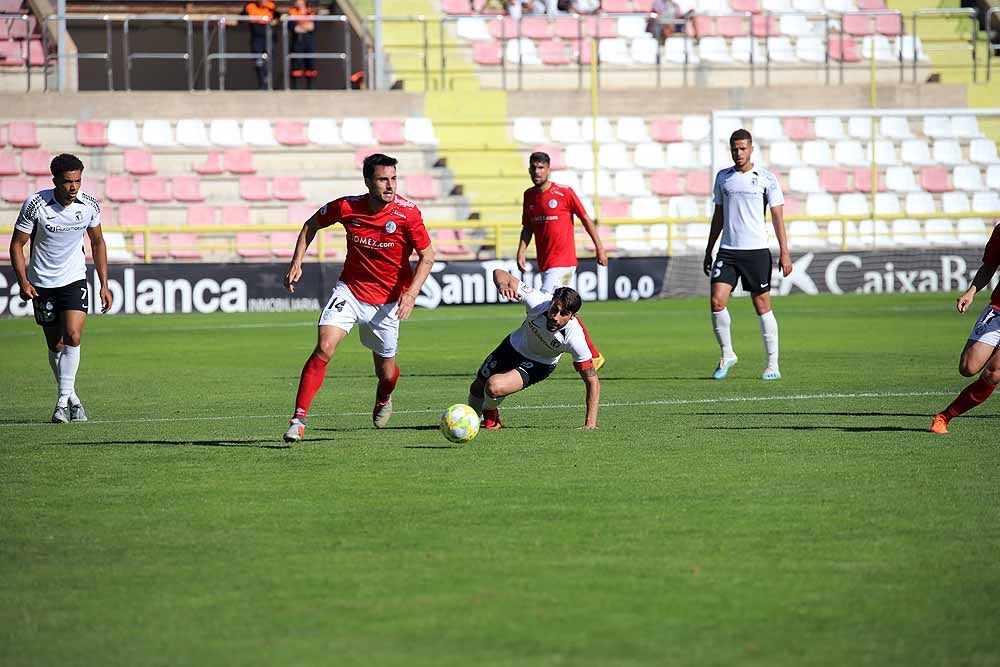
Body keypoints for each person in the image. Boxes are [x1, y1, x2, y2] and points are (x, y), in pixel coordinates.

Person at [282, 153, 436, 443]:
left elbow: (427, 255)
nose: (390, 186)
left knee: (386, 373)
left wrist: (411, 294)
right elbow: (310, 224)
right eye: (382, 179)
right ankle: (298, 419)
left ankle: (384, 396)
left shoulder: (408, 214)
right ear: (368, 181)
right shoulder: (347, 207)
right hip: (350, 291)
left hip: (388, 304)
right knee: (325, 347)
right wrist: (296, 262)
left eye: (393, 179)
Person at [8, 153, 112, 423]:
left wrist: (104, 284)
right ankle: (73, 398)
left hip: (74, 278)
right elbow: (17, 244)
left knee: (73, 337)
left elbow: (98, 243)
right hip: (42, 283)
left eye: (77, 181)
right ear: (55, 180)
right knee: (55, 345)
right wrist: (23, 281)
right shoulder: (36, 205)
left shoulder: (89, 205)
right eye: (67, 182)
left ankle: (61, 403)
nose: (73, 187)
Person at [703, 128, 792, 381]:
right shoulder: (723, 178)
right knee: (716, 302)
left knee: (762, 305)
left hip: (756, 252)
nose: (738, 153)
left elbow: (777, 217)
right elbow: (718, 216)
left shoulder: (766, 179)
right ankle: (727, 353)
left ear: (751, 149)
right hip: (728, 251)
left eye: (743, 148)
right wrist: (709, 249)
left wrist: (785, 252)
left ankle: (772, 364)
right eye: (734, 148)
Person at [466, 269, 600, 430]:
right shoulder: (537, 302)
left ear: (573, 316)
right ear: (551, 302)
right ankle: (468, 423)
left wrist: (590, 424)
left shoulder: (575, 338)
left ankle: (490, 415)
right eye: (554, 309)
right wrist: (502, 286)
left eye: (563, 313)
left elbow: (592, 380)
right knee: (477, 387)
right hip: (512, 346)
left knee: (494, 387)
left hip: (539, 364)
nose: (555, 316)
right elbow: (500, 272)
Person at [517, 151, 607, 371]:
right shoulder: (529, 196)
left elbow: (585, 218)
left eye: (541, 168)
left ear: (548, 170)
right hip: (545, 263)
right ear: (529, 170)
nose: (537, 172)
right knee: (560, 307)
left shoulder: (564, 193)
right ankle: (593, 354)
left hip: (563, 261)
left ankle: (534, 352)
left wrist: (600, 247)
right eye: (533, 168)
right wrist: (521, 251)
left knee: (544, 306)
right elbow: (527, 226)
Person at [930, 221, 1000, 434]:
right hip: (998, 309)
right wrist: (971, 292)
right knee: (968, 367)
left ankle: (944, 417)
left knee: (992, 374)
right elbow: (989, 265)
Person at [243, 0, 278, 90]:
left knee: (269, 61)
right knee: (259, 62)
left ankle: (268, 83)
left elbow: (277, 17)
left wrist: (274, 21)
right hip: (257, 38)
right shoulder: (250, 6)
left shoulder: (271, 5)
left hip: (269, 37)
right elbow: (241, 18)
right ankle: (262, 83)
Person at [288, 0, 317, 89]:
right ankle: (296, 88)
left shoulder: (311, 12)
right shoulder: (291, 12)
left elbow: (312, 26)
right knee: (296, 65)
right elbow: (295, 28)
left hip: (309, 42)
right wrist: (305, 26)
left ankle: (311, 88)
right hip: (297, 42)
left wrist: (301, 25)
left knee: (310, 65)